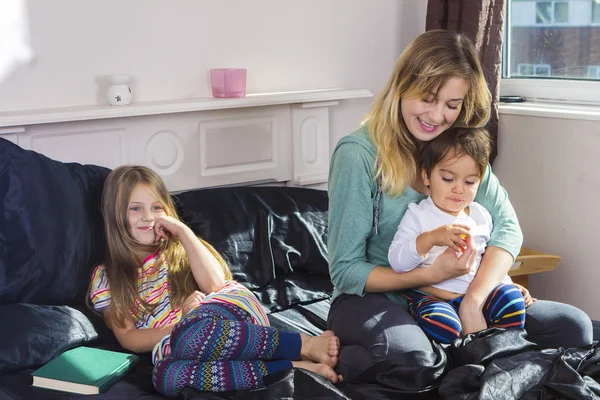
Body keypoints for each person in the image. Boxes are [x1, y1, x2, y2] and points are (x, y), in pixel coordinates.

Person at [327, 29, 593, 382]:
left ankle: (470, 355)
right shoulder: (358, 155)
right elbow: (345, 269)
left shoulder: (458, 150)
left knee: (572, 327)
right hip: (376, 298)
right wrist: (428, 276)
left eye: (452, 105)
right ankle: (344, 357)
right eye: (428, 98)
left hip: (458, 295)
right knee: (414, 360)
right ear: (401, 87)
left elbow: (506, 228)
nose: (437, 117)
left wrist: (477, 296)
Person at [88, 166, 342, 396]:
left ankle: (302, 345)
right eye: (135, 208)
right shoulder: (107, 277)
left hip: (226, 311)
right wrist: (177, 328)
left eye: (157, 207)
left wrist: (183, 232)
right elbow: (128, 336)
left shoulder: (180, 248)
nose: (148, 217)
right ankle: (294, 367)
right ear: (115, 215)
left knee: (192, 336)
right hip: (178, 342)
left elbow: (215, 284)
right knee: (167, 376)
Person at [388, 127, 525, 344]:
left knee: (512, 301)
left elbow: (483, 257)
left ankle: (502, 351)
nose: (459, 189)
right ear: (426, 176)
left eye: (470, 182)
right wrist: (429, 239)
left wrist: (506, 282)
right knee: (444, 326)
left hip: (476, 297)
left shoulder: (481, 215)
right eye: (448, 178)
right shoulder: (419, 215)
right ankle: (461, 355)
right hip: (433, 297)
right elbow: (397, 261)